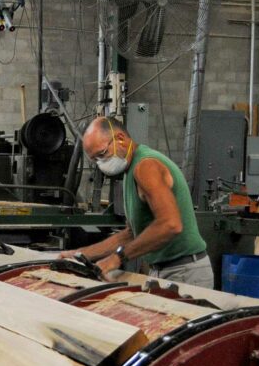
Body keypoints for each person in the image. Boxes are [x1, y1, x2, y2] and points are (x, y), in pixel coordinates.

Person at [59, 116, 213, 288]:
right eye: (95, 160)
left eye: (102, 154)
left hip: (184, 272)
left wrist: (117, 258)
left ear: (120, 139)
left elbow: (171, 224)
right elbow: (132, 234)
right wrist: (81, 254)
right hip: (163, 270)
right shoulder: (130, 171)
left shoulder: (145, 166)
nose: (101, 163)